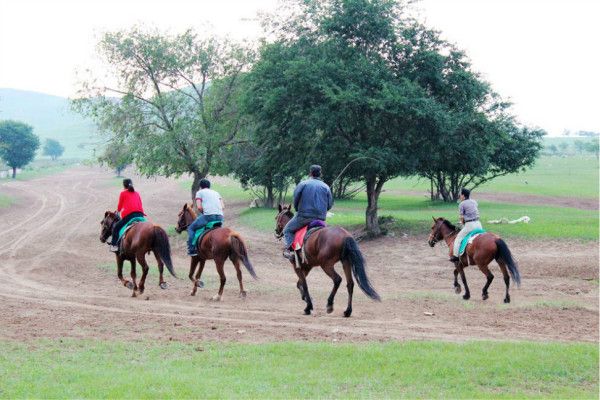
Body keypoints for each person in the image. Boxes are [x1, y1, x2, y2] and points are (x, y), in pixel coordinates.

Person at [283, 165, 333, 260]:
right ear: (320, 174)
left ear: (310, 173)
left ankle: (292, 252)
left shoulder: (303, 184)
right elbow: (329, 205)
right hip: (320, 218)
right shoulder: (326, 187)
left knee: (287, 230)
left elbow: (296, 200)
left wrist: (297, 209)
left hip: (304, 217)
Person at [187, 178, 224, 256]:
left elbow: (199, 207)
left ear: (200, 186)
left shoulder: (199, 192)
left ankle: (192, 249)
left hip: (208, 216)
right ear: (209, 186)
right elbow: (223, 206)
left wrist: (204, 213)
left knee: (190, 228)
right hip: (220, 217)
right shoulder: (216, 193)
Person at [110, 178, 145, 252]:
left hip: (130, 215)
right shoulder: (137, 193)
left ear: (124, 185)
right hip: (140, 215)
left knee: (116, 228)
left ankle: (114, 246)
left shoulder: (123, 193)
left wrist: (118, 211)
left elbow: (120, 206)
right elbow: (140, 204)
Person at [450, 188, 483, 262]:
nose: (460, 196)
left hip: (470, 225)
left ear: (463, 196)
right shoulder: (474, 202)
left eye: (460, 195)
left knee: (458, 238)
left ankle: (455, 256)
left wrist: (461, 223)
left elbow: (461, 217)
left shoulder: (462, 204)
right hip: (478, 224)